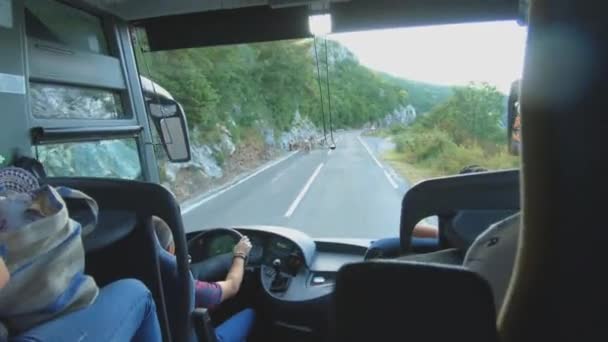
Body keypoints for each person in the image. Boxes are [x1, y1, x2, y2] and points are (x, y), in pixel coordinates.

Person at [153, 217, 255, 342]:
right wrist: (240, 255)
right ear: (170, 249)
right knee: (251, 313)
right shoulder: (189, 287)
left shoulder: (136, 279)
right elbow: (232, 286)